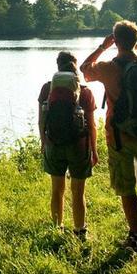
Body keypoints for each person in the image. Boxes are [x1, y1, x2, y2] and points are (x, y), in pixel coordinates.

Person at [81, 20, 137, 252]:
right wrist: (136, 46)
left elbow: (85, 68)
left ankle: (136, 237)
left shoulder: (109, 67)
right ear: (135, 40)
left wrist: (103, 46)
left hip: (119, 136)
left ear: (115, 41)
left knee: (127, 187)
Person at [38, 50, 99, 241]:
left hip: (54, 143)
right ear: (75, 67)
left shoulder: (47, 89)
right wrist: (94, 150)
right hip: (79, 146)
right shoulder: (85, 91)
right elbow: (92, 125)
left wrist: (43, 142)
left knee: (57, 189)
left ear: (58, 67)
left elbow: (41, 121)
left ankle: (58, 228)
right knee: (78, 191)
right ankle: (80, 232)